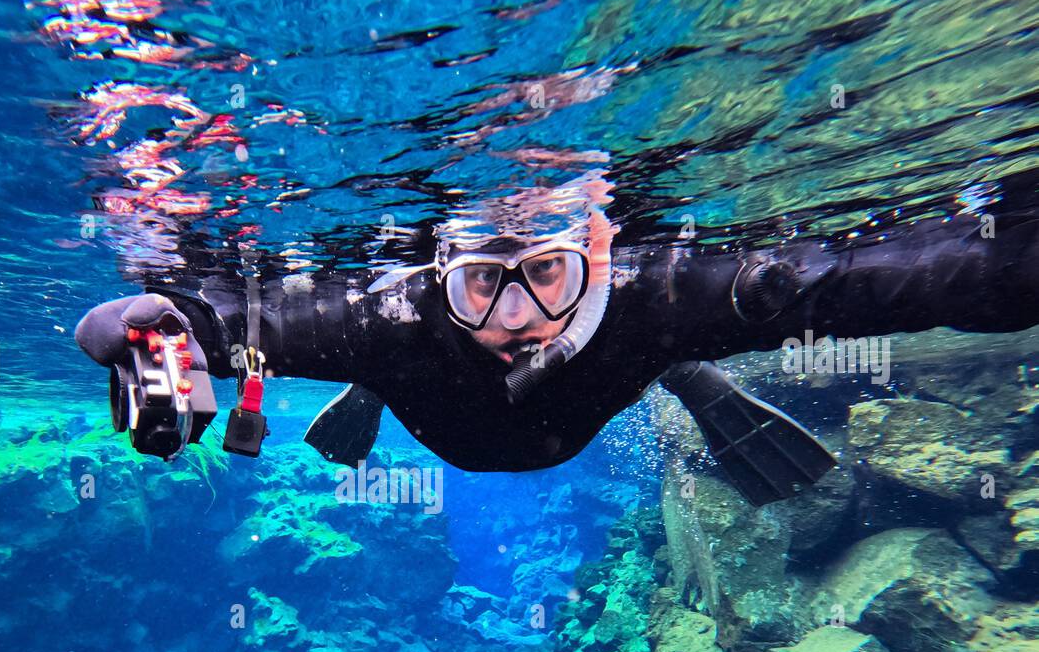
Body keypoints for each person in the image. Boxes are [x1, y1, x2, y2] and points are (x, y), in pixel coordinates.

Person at [74, 172, 1039, 506]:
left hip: (604, 377)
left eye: (549, 272)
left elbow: (878, 281)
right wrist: (157, 334)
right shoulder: (386, 316)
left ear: (600, 247)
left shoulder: (649, 296)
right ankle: (365, 385)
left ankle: (696, 384)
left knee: (656, 338)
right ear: (430, 274)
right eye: (481, 283)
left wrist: (1009, 267)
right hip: (413, 387)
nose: (519, 319)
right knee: (368, 346)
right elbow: (208, 315)